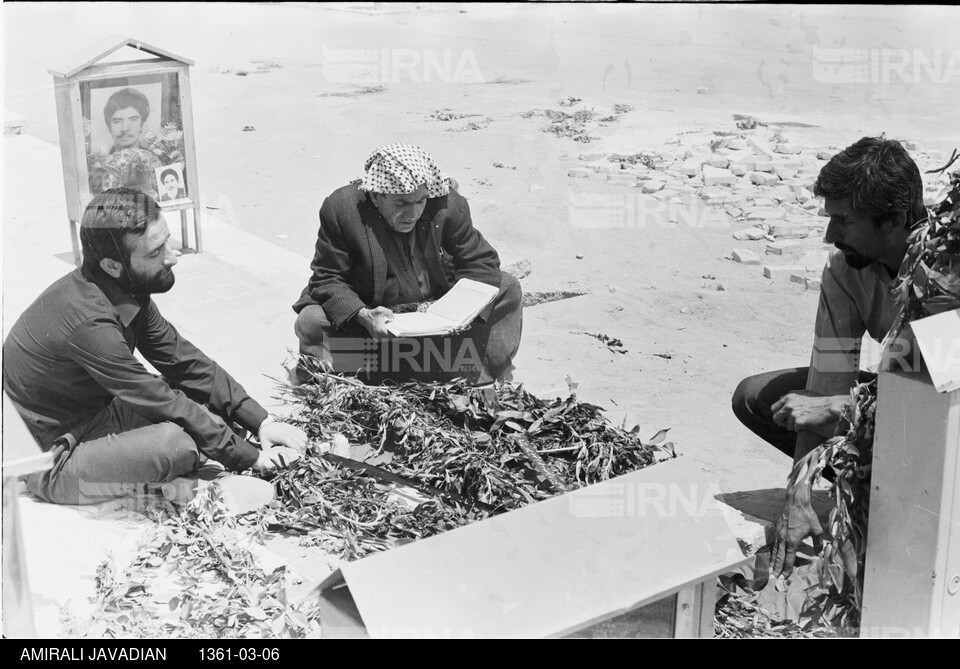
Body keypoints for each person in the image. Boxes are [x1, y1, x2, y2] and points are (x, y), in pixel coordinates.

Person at [3, 188, 307, 505]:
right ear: (112, 265)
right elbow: (155, 398)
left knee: (208, 410)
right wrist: (252, 459)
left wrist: (263, 422)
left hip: (97, 412)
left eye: (167, 243)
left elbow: (185, 362)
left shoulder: (124, 285)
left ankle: (181, 471)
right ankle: (185, 489)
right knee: (175, 444)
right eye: (154, 252)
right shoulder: (89, 323)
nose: (172, 257)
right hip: (49, 455)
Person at [730, 136, 926, 576]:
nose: (829, 235)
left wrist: (841, 406)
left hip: (941, 419)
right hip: (895, 402)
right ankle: (871, 491)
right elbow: (826, 382)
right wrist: (797, 496)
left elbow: (931, 400)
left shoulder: (945, 273)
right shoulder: (845, 269)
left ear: (893, 221)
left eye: (843, 221)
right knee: (761, 397)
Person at [292, 143, 523, 386]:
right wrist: (363, 316)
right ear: (376, 195)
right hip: (378, 321)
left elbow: (481, 261)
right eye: (401, 204)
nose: (412, 213)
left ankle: (472, 372)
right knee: (312, 320)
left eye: (420, 202)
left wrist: (461, 313)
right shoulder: (342, 209)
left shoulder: (447, 204)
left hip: (438, 312)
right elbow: (327, 277)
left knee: (507, 287)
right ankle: (422, 367)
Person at [104, 87, 150, 152]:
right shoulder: (99, 161)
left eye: (133, 120)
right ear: (108, 128)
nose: (124, 129)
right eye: (117, 122)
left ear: (142, 125)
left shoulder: (156, 160)